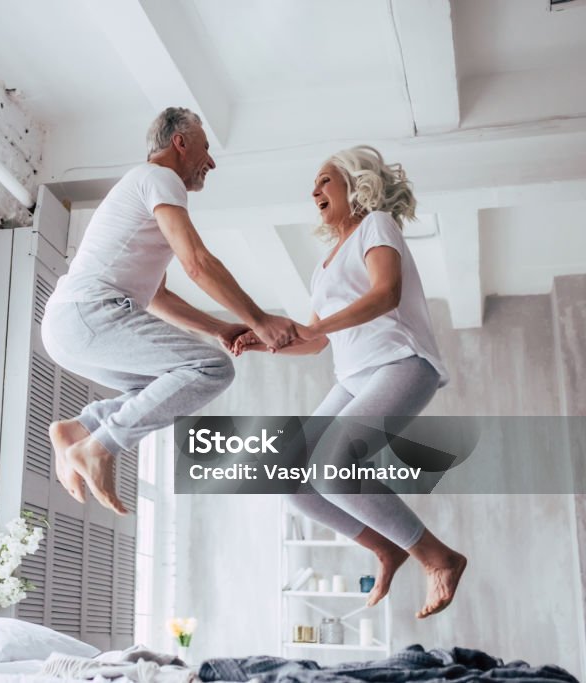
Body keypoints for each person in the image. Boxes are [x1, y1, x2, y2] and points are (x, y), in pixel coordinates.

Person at [234, 145, 467, 619]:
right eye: (314, 185)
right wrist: (265, 342)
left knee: (333, 463)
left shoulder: (376, 225)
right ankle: (387, 547)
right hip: (353, 376)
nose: (314, 190)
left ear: (354, 183)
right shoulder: (323, 265)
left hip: (401, 363)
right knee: (289, 479)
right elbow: (316, 341)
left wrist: (313, 328)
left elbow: (386, 293)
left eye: (324, 180)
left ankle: (438, 557)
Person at [41, 107, 298, 515]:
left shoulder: (141, 189)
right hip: (89, 314)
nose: (211, 162)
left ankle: (82, 429)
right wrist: (259, 320)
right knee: (212, 369)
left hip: (70, 323)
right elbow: (197, 262)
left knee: (164, 387)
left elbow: (158, 296)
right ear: (180, 143)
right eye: (206, 149)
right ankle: (100, 447)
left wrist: (218, 328)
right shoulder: (159, 178)